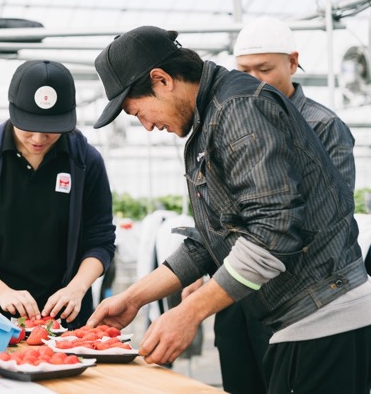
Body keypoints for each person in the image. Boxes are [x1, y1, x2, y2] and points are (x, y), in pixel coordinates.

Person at [88, 25, 371, 393]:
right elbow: (214, 239)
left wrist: (190, 312)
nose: (146, 125)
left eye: (137, 111)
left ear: (161, 80)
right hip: (300, 320)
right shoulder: (211, 119)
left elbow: (272, 232)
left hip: (323, 318)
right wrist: (134, 298)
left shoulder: (238, 109)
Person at [193, 16, 358, 394]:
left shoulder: (322, 125)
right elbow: (223, 218)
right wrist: (208, 277)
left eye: (264, 69)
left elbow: (325, 220)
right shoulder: (227, 125)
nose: (253, 80)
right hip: (235, 294)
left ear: (293, 61)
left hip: (295, 301)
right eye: (243, 70)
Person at [0, 59, 116, 328]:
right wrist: (1, 292)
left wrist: (78, 288)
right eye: (28, 126)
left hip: (62, 314)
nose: (38, 138)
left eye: (50, 130)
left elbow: (100, 239)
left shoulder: (85, 161)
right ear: (13, 112)